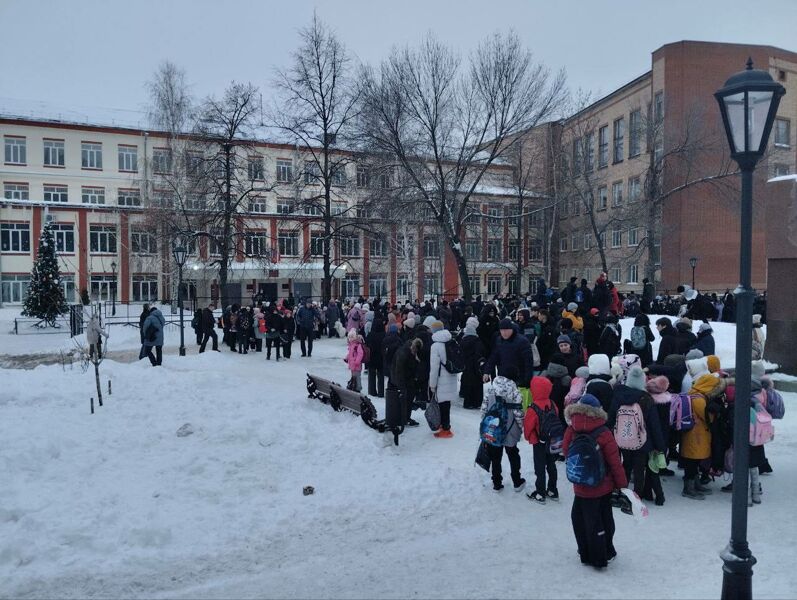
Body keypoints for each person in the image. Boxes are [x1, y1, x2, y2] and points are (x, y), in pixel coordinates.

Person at [563, 394, 628, 570]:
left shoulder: (572, 428)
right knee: (603, 519)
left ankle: (585, 552)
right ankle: (603, 555)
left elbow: (566, 452)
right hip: (602, 485)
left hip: (580, 484)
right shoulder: (604, 432)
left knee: (580, 519)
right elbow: (614, 462)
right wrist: (621, 484)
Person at [607, 366, 665, 497]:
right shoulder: (646, 398)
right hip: (642, 440)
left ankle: (623, 491)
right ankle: (637, 495)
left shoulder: (618, 395)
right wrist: (660, 445)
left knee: (625, 465)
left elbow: (611, 417)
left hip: (622, 437)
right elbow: (654, 424)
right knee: (639, 469)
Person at [481, 365, 525, 491]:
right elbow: (518, 413)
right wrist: (521, 428)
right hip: (510, 430)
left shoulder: (491, 389)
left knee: (495, 457)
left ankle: (497, 483)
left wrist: (485, 425)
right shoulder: (515, 391)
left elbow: (484, 409)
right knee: (513, 454)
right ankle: (517, 481)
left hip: (493, 428)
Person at [681, 374, 725, 499]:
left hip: (694, 436)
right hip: (696, 437)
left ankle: (695, 484)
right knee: (692, 462)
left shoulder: (693, 394)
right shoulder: (698, 399)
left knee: (694, 462)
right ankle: (688, 488)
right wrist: (716, 411)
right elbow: (708, 418)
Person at [524, 375, 559, 502]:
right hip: (552, 440)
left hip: (538, 441)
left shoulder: (533, 407)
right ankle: (553, 490)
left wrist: (529, 437)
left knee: (539, 467)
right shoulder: (552, 403)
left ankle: (540, 492)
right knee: (551, 465)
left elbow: (528, 426)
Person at [482, 318, 533, 389]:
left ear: (512, 329)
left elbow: (528, 362)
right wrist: (487, 371)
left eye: (506, 330)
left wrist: (527, 380)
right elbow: (494, 357)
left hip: (519, 378)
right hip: (503, 377)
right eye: (502, 330)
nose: (504, 333)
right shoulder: (499, 340)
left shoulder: (522, 341)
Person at [429, 320, 456, 438]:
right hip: (451, 376)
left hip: (441, 378)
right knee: (447, 403)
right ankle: (445, 426)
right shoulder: (451, 341)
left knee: (442, 404)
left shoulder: (435, 346)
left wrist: (432, 384)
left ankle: (445, 429)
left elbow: (434, 368)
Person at [460, 317, 486, 409]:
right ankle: (476, 402)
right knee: (477, 384)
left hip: (466, 366)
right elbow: (480, 353)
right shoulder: (477, 341)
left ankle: (467, 402)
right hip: (475, 365)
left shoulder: (463, 340)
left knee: (467, 383)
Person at [366, 312, 386, 397]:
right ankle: (381, 392)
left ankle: (372, 391)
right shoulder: (384, 334)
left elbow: (366, 344)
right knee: (381, 376)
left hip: (372, 358)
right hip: (381, 358)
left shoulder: (371, 334)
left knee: (371, 375)